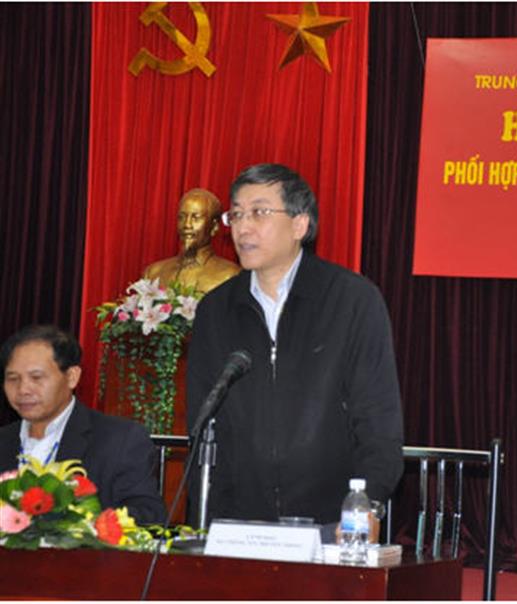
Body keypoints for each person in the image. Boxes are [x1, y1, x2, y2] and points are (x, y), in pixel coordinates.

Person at [186, 163, 403, 532]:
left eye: (259, 212)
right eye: (236, 215)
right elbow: (202, 423)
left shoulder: (351, 300)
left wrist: (366, 505)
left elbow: (377, 418)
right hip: (238, 524)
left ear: (300, 225)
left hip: (332, 521)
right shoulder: (216, 310)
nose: (242, 227)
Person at [0, 325, 166, 524]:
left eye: (36, 377)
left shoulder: (121, 439)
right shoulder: (4, 439)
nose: (23, 389)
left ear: (72, 377)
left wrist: (80, 526)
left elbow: (148, 514)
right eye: (13, 379)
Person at [143, 188, 240, 294]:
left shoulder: (231, 277)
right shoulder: (153, 273)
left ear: (214, 226)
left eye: (196, 218)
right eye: (182, 217)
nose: (187, 225)